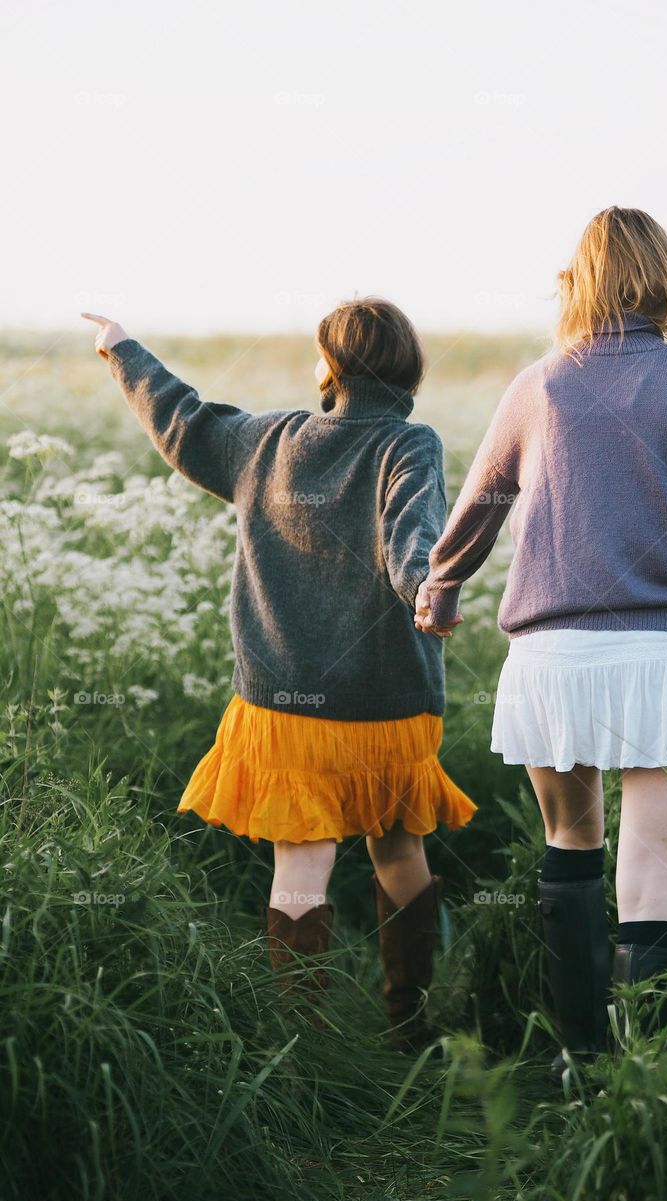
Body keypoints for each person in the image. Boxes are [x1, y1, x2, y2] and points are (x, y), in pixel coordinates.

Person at [415, 207, 667, 1081]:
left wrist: (441, 582)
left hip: (553, 661)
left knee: (570, 845)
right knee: (653, 871)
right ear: (666, 275)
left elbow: (482, 500)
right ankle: (641, 1091)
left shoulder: (539, 383)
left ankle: (581, 1064)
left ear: (576, 282)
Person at [82, 299, 476, 1049]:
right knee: (399, 847)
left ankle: (299, 1050)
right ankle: (410, 1026)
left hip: (284, 710)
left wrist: (121, 346)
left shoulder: (264, 440)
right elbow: (411, 537)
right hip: (389, 704)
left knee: (300, 863)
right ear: (407, 369)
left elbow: (182, 420)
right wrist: (426, 588)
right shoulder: (409, 443)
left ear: (330, 367)